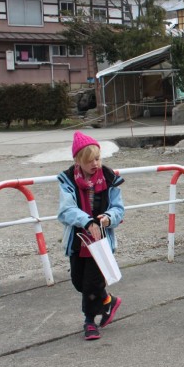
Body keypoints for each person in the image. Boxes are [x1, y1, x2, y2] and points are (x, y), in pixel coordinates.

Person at [57, 131, 125, 340]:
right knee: (79, 282)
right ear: (78, 161)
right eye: (89, 161)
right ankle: (108, 300)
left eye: (97, 158)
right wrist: (87, 220)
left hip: (100, 241)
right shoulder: (67, 180)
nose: (95, 164)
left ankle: (89, 322)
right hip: (79, 240)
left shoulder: (109, 178)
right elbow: (65, 211)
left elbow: (119, 209)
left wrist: (107, 217)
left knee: (90, 285)